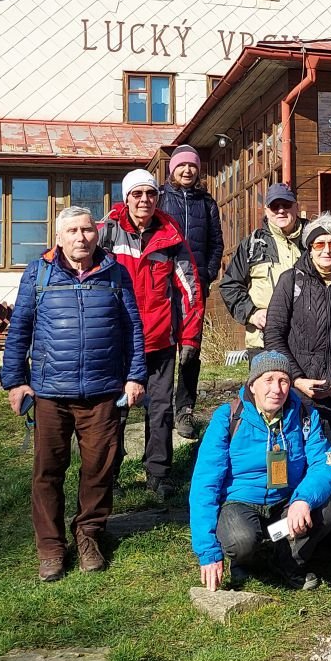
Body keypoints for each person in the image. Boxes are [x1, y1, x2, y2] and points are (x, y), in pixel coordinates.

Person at [2, 206, 147, 582]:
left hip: (102, 391)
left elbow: (132, 327)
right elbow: (20, 328)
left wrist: (135, 376)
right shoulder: (38, 273)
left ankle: (89, 535)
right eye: (72, 231)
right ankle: (51, 547)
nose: (81, 237)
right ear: (58, 237)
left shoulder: (116, 272)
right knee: (48, 472)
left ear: (97, 234)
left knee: (99, 469)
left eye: (87, 230)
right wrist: (15, 381)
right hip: (50, 393)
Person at [189, 351, 331, 591]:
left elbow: (324, 465)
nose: (276, 389)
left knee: (327, 510)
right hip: (240, 502)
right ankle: (246, 558)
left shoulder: (305, 415)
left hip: (286, 501)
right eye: (268, 380)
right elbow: (205, 483)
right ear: (252, 385)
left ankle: (287, 559)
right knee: (242, 540)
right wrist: (208, 551)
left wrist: (302, 500)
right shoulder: (228, 417)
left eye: (283, 381)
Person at [97, 169, 205, 503]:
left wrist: (190, 338)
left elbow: (190, 291)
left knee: (160, 410)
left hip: (160, 340)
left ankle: (158, 474)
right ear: (126, 198)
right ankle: (109, 475)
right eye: (137, 194)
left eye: (151, 193)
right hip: (118, 341)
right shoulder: (106, 233)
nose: (144, 200)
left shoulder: (171, 236)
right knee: (114, 410)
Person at [264, 213, 331, 460]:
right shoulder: (291, 281)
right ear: (309, 248)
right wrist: (297, 380)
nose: (326, 250)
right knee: (306, 460)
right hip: (301, 397)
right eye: (319, 244)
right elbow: (273, 335)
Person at [160, 144, 224, 439]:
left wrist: (207, 274)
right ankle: (160, 407)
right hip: (163, 286)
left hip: (195, 287)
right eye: (182, 166)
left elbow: (216, 243)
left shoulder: (207, 203)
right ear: (172, 169)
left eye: (192, 166)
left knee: (190, 352)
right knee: (163, 348)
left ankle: (185, 410)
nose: (187, 171)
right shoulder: (160, 197)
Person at [218, 183, 305, 355]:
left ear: (296, 206)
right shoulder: (252, 245)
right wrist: (252, 313)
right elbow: (230, 285)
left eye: (286, 204)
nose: (281, 210)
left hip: (308, 343)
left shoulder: (315, 242)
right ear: (266, 210)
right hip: (263, 342)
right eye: (274, 206)